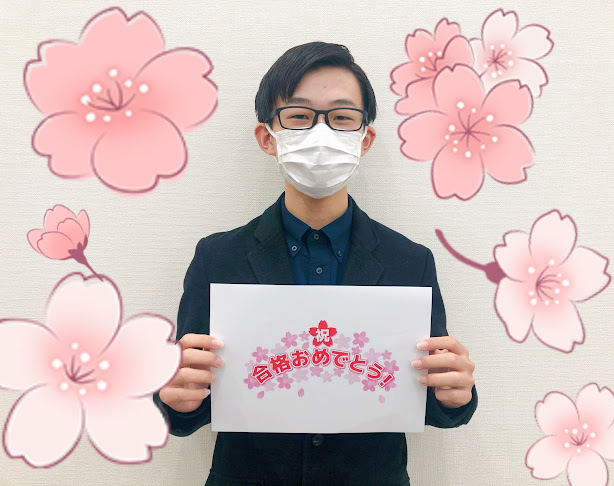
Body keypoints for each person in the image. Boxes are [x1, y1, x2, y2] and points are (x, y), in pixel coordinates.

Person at [155, 41, 477, 486]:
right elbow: (189, 407)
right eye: (299, 116)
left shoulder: (410, 261)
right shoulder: (218, 257)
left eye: (342, 117)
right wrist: (175, 397)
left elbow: (430, 401)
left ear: (365, 139)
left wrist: (455, 394)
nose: (320, 132)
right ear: (267, 137)